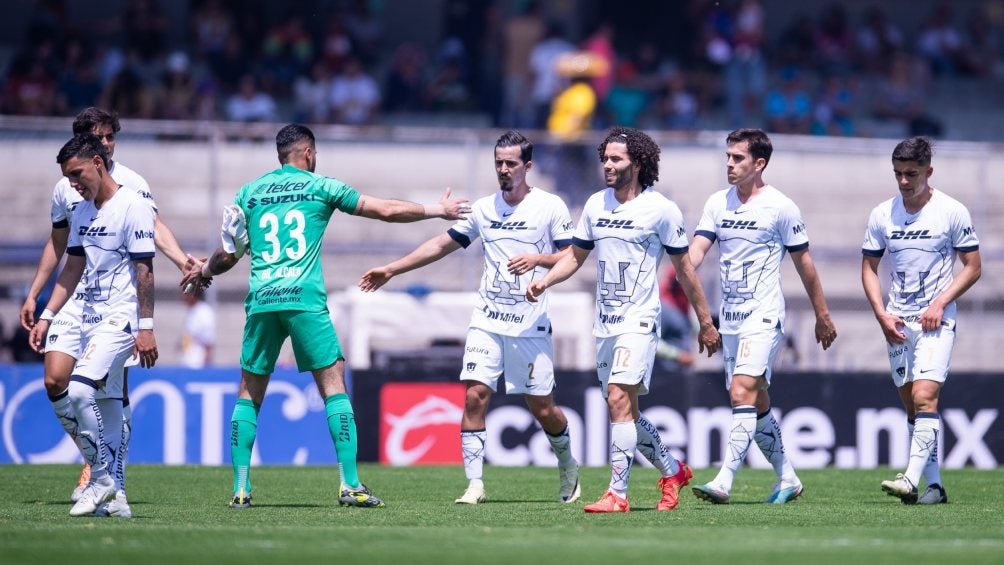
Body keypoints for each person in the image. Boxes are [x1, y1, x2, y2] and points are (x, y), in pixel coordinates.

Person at [179, 123, 471, 509]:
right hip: (303, 299)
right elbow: (383, 210)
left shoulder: (249, 194)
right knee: (334, 384)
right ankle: (350, 485)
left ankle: (240, 489)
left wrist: (203, 272)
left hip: (263, 300)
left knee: (249, 392)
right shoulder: (321, 187)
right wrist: (438, 210)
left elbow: (228, 254)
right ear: (310, 154)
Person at [359, 130, 581, 505]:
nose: (504, 169)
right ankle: (475, 484)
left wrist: (538, 263)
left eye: (511, 163)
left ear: (527, 166)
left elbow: (573, 256)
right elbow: (440, 245)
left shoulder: (550, 207)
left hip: (529, 321)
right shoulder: (484, 208)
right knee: (475, 396)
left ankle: (567, 464)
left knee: (542, 408)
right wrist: (393, 269)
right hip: (487, 320)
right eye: (498, 163)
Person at [526, 127, 720, 513]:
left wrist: (705, 321)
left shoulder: (661, 210)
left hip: (640, 321)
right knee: (624, 410)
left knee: (617, 398)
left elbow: (685, 271)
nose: (608, 165)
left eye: (616, 159)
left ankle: (617, 494)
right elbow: (575, 257)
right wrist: (546, 280)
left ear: (638, 162)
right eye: (605, 158)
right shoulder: (596, 204)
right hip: (605, 324)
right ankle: (673, 470)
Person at [19, 107, 192, 516]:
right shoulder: (71, 192)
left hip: (117, 307)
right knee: (56, 380)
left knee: (105, 392)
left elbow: (151, 237)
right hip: (77, 299)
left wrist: (182, 262)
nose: (110, 144)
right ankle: (98, 465)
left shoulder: (132, 189)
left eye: (112, 137)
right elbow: (63, 249)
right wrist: (38, 299)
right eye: (102, 137)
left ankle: (108, 479)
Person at [688, 128, 837, 505]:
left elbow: (805, 264)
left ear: (759, 163)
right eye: (727, 157)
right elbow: (694, 256)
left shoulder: (781, 207)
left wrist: (822, 315)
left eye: (737, 158)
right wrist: (697, 302)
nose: (729, 164)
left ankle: (723, 481)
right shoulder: (717, 204)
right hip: (731, 320)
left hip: (763, 316)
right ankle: (788, 478)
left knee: (741, 392)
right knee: (755, 403)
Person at [862, 136, 980, 505]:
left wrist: (941, 302)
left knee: (925, 395)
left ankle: (910, 479)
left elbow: (973, 267)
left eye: (911, 174)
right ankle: (934, 486)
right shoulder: (882, 213)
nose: (903, 182)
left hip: (936, 321)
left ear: (929, 171)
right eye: (897, 174)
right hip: (897, 323)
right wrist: (881, 312)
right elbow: (868, 267)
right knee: (912, 407)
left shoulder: (951, 211)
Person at [180, 286, 216, 369]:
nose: (181, 294)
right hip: (187, 364)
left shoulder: (204, 312)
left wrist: (204, 369)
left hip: (198, 365)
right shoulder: (191, 311)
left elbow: (208, 343)